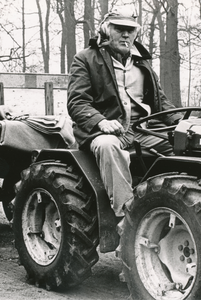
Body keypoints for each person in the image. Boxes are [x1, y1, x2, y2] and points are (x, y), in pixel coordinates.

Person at [67, 6, 181, 222]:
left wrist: (183, 123)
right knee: (107, 145)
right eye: (120, 29)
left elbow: (160, 101)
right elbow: (77, 103)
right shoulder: (86, 59)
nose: (126, 35)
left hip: (143, 129)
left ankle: (172, 205)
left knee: (182, 146)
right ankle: (127, 215)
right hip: (106, 131)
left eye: (131, 30)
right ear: (107, 30)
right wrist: (100, 122)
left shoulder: (143, 63)